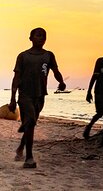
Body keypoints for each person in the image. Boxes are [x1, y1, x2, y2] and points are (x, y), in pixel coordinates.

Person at [8, 27, 66, 169]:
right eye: (38, 35)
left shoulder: (49, 55)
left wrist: (61, 81)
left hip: (40, 95)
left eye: (43, 36)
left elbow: (56, 71)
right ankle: (29, 158)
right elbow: (16, 77)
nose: (41, 38)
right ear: (31, 38)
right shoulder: (23, 56)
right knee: (31, 122)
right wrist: (12, 98)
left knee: (30, 124)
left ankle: (20, 147)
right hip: (25, 94)